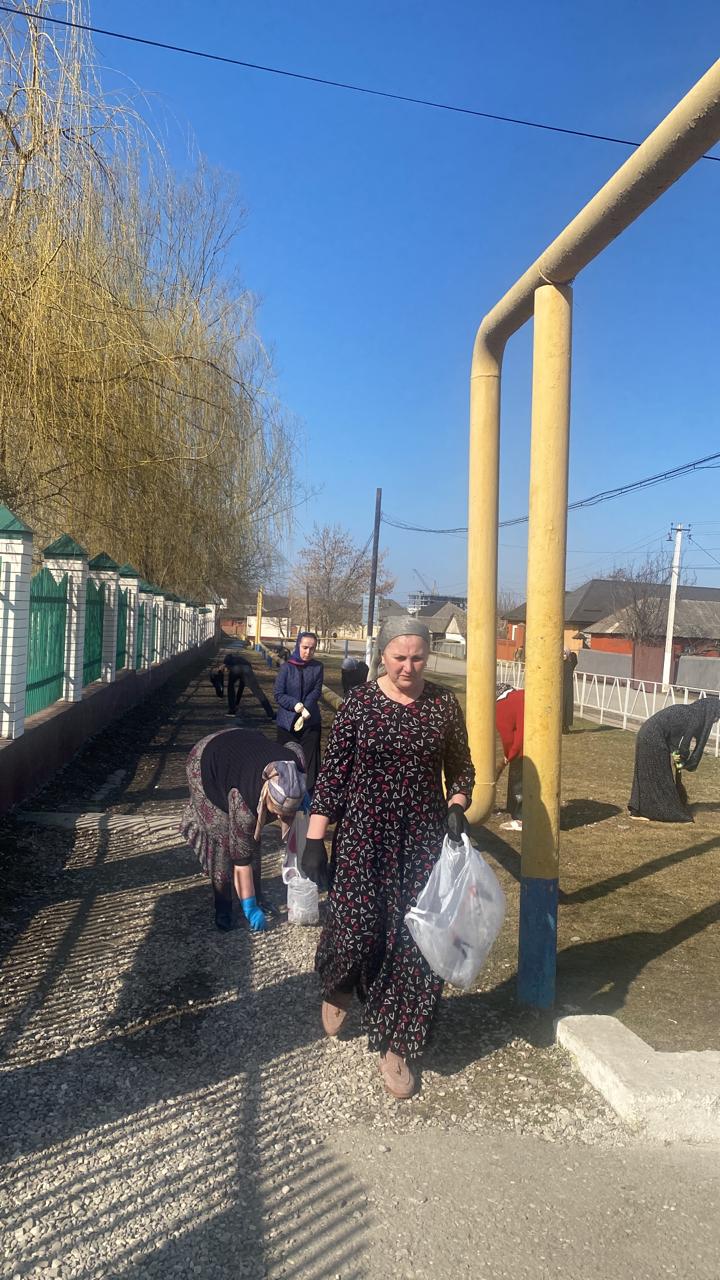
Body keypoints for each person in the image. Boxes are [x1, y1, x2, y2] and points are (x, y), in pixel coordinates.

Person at [302, 617, 475, 1101]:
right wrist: (315, 838)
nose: (408, 667)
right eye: (399, 657)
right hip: (363, 836)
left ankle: (398, 1044)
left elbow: (462, 767)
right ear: (382, 655)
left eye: (418, 658)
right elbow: (333, 775)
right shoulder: (359, 704)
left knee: (414, 945)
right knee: (356, 928)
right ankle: (341, 983)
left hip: (421, 842)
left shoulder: (443, 705)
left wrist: (457, 806)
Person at [180, 728, 306, 931]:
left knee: (251, 841)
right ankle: (223, 907)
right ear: (265, 796)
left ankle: (258, 895)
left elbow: (293, 745)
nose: (281, 818)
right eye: (278, 812)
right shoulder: (244, 803)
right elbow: (242, 862)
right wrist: (250, 907)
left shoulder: (295, 766)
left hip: (244, 740)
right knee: (222, 841)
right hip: (207, 756)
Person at [628, 696, 720, 823]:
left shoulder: (690, 712)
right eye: (716, 717)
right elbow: (684, 744)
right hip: (653, 737)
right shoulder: (696, 717)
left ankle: (637, 811)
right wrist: (682, 759)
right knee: (661, 777)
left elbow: (679, 739)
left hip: (645, 734)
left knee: (645, 775)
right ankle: (663, 811)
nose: (715, 720)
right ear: (710, 711)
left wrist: (679, 758)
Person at [274, 631, 324, 791]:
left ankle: (308, 796)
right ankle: (286, 793)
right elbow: (278, 694)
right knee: (286, 760)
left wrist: (305, 708)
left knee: (310, 763)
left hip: (310, 721)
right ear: (298, 646)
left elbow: (316, 691)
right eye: (305, 647)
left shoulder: (318, 667)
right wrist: (295, 705)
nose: (308, 652)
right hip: (287, 723)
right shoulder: (286, 668)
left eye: (312, 648)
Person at [495, 683, 525, 831]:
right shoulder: (519, 695)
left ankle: (521, 819)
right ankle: (516, 811)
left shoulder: (501, 706)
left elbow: (507, 736)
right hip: (540, 745)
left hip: (523, 750)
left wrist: (509, 755)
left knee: (519, 781)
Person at [223, 648, 275, 720]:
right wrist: (237, 702)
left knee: (230, 688)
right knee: (259, 693)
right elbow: (241, 687)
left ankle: (232, 711)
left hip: (236, 668)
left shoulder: (229, 662)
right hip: (247, 669)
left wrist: (236, 704)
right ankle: (271, 714)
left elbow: (240, 687)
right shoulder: (240, 659)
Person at [562, 648, 578, 734]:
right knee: (561, 707)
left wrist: (568, 653)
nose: (563, 655)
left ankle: (566, 727)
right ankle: (561, 726)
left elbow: (574, 657)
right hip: (560, 688)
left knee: (567, 707)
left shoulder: (570, 663)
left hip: (568, 688)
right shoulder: (559, 664)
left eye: (565, 654)